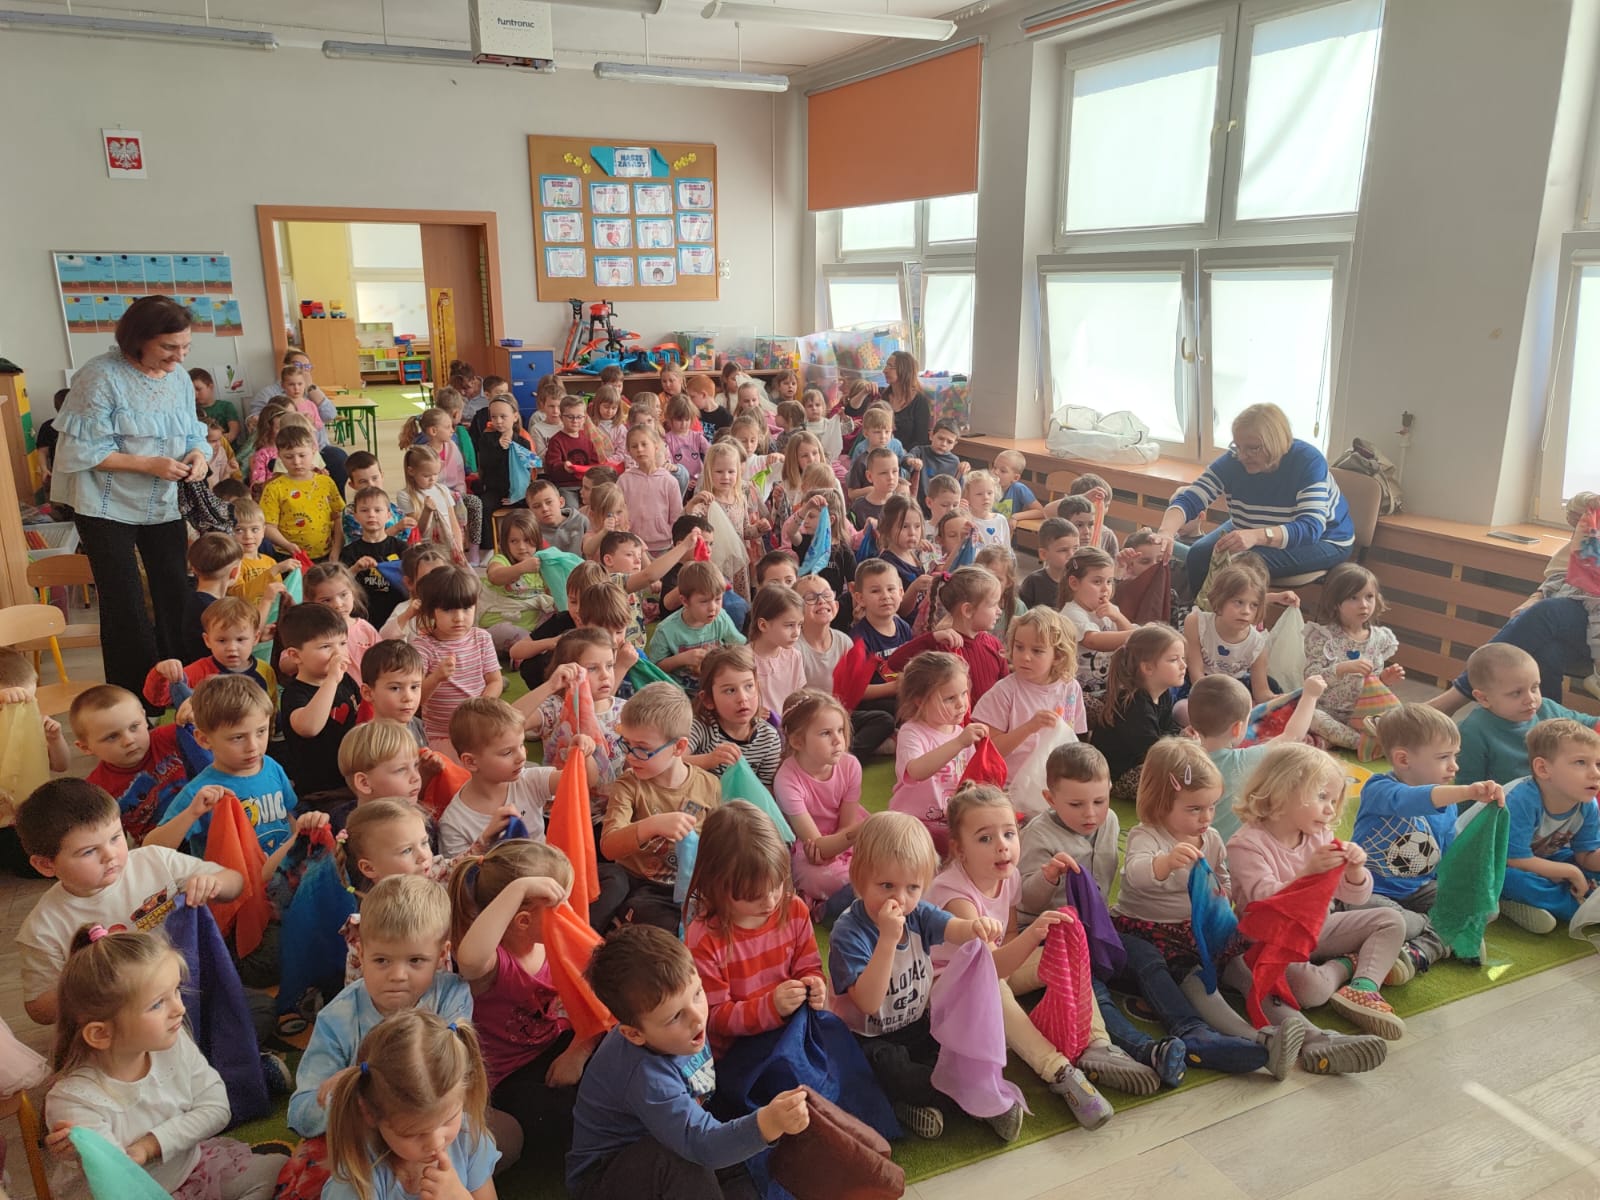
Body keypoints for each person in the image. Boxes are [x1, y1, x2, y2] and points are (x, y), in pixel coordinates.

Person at [930, 783, 1147, 1125]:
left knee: (1067, 950)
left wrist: (1046, 893)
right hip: (949, 986)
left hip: (997, 967)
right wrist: (1034, 935)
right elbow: (989, 968)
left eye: (1009, 834)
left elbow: (1009, 935)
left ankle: (1097, 1044)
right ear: (959, 849)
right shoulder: (953, 894)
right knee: (992, 986)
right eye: (985, 838)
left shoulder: (1008, 875)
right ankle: (1059, 1072)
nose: (1002, 846)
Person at [567, 924, 810, 1198]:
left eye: (697, 993)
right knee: (685, 1159)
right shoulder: (645, 1075)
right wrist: (769, 1123)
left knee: (743, 1152)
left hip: (672, 1135)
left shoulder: (680, 1031)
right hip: (608, 1177)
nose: (697, 1017)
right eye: (675, 1016)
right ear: (634, 1034)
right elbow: (699, 1144)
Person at [44, 927, 287, 1200]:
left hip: (189, 1168)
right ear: (101, 1034)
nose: (179, 1009)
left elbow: (217, 1108)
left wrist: (151, 1145)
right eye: (157, 1004)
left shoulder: (172, 1042)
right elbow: (120, 1183)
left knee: (277, 1169)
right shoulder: (75, 1100)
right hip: (132, 1194)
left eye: (176, 991)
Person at [1109, 739, 1303, 1080]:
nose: (1207, 816)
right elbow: (1135, 874)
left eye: (1212, 806)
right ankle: (1257, 1039)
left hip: (1198, 927)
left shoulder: (1210, 837)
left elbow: (1221, 876)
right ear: (1160, 802)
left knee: (1242, 966)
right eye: (1194, 809)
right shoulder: (1147, 836)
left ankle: (1301, 1029)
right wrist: (1165, 863)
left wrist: (1222, 897)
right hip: (1152, 931)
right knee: (1199, 983)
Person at [51, 295, 209, 702]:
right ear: (138, 339)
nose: (179, 357)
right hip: (105, 505)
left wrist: (198, 455)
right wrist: (148, 464)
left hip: (162, 501)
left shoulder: (177, 377)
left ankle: (180, 688)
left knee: (174, 590)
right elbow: (78, 452)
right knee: (125, 601)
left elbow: (193, 431)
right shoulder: (99, 376)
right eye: (169, 347)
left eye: (186, 347)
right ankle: (134, 700)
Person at [1016, 744, 1192, 1086]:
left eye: (1099, 801)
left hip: (1095, 926)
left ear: (1110, 790)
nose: (1090, 813)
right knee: (1091, 983)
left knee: (1146, 956)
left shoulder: (1109, 821)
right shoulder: (1038, 834)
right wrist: (1048, 877)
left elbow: (1106, 880)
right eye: (1076, 805)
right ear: (1050, 799)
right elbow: (1025, 900)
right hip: (1047, 933)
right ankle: (1142, 1049)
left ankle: (1191, 1027)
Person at [827, 810, 1009, 1141]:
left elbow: (953, 928)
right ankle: (967, 1103)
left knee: (954, 1047)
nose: (900, 899)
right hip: (868, 1039)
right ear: (859, 879)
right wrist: (886, 939)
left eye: (912, 888)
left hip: (916, 1024)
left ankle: (924, 1101)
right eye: (886, 886)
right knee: (893, 1071)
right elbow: (868, 1002)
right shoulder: (848, 932)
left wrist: (976, 927)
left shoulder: (918, 913)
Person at [17, 778, 243, 1026]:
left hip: (192, 990)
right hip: (123, 1027)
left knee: (254, 1014)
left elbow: (236, 883)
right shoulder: (43, 928)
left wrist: (213, 883)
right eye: (88, 851)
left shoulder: (154, 860)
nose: (110, 855)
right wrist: (91, 983)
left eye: (116, 837)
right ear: (45, 865)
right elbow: (39, 1009)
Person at [1228, 743, 1409, 1041]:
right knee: (1311, 991)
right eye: (1322, 797)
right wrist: (1307, 873)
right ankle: (1346, 964)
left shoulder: (1318, 835)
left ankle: (1363, 987)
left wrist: (1354, 870)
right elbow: (1262, 900)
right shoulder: (1245, 844)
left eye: (1334, 801)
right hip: (1273, 941)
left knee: (1392, 920)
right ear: (1281, 791)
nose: (1330, 809)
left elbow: (1355, 897)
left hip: (1319, 928)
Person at [288, 876, 473, 1138]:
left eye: (415, 960)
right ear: (361, 954)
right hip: (365, 1139)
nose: (397, 975)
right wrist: (347, 1095)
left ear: (442, 955)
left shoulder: (452, 996)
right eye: (382, 960)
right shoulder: (337, 1018)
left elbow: (460, 1082)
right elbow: (301, 1114)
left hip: (433, 1133)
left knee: (499, 1138)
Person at [451, 840, 596, 1164]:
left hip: (557, 1043)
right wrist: (518, 890)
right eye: (561, 904)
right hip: (511, 1077)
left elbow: (597, 1001)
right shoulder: (495, 963)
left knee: (616, 1054)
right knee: (560, 1115)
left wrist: (578, 1052)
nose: (571, 911)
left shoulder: (555, 942)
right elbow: (470, 960)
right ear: (523, 922)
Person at [1355, 705, 1506, 975]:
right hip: (1370, 892)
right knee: (1397, 921)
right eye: (1444, 757)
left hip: (1420, 889)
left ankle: (1422, 950)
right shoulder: (1378, 789)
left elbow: (1446, 858)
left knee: (1484, 906)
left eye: (1455, 755)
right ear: (1403, 760)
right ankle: (1442, 933)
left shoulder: (1448, 805)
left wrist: (1467, 895)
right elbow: (1411, 799)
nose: (1454, 765)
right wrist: (1468, 792)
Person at [1147, 403, 1353, 594]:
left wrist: (1256, 536)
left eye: (1253, 448)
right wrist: (1166, 533)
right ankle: (1199, 616)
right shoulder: (1234, 460)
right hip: (1252, 527)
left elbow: (1310, 528)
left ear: (1276, 443)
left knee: (1239, 567)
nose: (1242, 456)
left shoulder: (1307, 462)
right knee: (1198, 556)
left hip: (1324, 539)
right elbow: (1191, 498)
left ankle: (1234, 619)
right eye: (1238, 446)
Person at [683, 801, 827, 1059]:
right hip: (736, 1053)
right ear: (717, 885)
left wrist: (814, 984)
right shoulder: (704, 938)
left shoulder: (793, 909)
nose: (770, 902)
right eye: (753, 896)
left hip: (790, 1034)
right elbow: (713, 1016)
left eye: (777, 885)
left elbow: (808, 967)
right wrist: (770, 1007)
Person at [320, 1012, 500, 1200]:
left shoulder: (468, 1136)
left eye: (448, 1120)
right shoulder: (358, 1180)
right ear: (369, 1113)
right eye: (414, 1134)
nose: (435, 1142)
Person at [602, 683, 723, 932]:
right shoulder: (628, 784)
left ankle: (629, 925)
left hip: (678, 888)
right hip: (633, 880)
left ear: (679, 747)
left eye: (642, 749)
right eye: (627, 744)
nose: (630, 756)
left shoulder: (708, 785)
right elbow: (609, 847)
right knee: (611, 884)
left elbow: (715, 848)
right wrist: (652, 826)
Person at [1186, 673, 1328, 842]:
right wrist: (1310, 696)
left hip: (1185, 847)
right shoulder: (1242, 762)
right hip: (1229, 852)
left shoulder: (1180, 755)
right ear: (1237, 729)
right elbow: (1292, 737)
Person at [772, 690, 866, 919]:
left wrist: (858, 835)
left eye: (840, 730)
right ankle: (827, 908)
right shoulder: (786, 779)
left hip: (847, 835)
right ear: (797, 741)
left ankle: (861, 896)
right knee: (823, 878)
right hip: (809, 848)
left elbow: (846, 824)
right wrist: (863, 831)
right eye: (826, 733)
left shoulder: (850, 765)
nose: (838, 740)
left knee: (891, 856)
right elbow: (818, 848)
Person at [1499, 719, 1600, 930]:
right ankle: (1580, 908)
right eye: (1581, 762)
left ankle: (1547, 902)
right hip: (1492, 862)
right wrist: (1571, 873)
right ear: (1543, 768)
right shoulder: (1521, 799)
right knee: (1511, 879)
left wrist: (1573, 869)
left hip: (1540, 856)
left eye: (1598, 764)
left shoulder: (1587, 804)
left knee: (1582, 869)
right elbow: (1514, 859)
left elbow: (1586, 857)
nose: (1595, 773)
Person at [1455, 643, 1600, 786]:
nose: (1531, 699)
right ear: (1484, 699)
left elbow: (1590, 724)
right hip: (1509, 799)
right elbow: (1469, 788)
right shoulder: (1472, 732)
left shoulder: (1546, 708)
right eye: (1517, 693)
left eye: (1534, 687)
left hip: (1556, 790)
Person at [972, 607, 1087, 783]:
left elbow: (1076, 739)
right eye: (1019, 647)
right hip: (1010, 784)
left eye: (1037, 651)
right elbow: (989, 750)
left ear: (1058, 656)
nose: (1025, 656)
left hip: (1054, 783)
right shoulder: (1004, 691)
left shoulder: (1070, 687)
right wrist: (1029, 727)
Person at [69, 685, 193, 846]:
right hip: (161, 849)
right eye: (112, 737)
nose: (129, 740)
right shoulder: (96, 791)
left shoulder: (171, 736)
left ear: (144, 718)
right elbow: (108, 840)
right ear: (85, 747)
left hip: (206, 820)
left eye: (134, 727)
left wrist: (195, 707)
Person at [890, 652, 987, 858]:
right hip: (913, 824)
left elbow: (969, 779)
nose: (961, 704)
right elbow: (916, 771)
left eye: (964, 693)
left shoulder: (961, 733)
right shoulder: (912, 731)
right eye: (950, 698)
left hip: (949, 821)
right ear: (920, 701)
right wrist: (959, 743)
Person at [1302, 563, 1405, 749]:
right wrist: (1341, 668)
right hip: (1328, 712)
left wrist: (1384, 680)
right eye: (1353, 598)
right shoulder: (1323, 637)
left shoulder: (1380, 639)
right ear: (1336, 602)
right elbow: (1311, 677)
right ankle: (1364, 744)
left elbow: (1373, 687)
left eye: (1369, 596)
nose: (1364, 605)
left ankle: (1339, 741)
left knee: (1401, 716)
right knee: (1311, 716)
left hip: (1365, 715)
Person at [438, 699, 557, 857]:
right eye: (507, 752)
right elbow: (458, 871)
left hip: (546, 869)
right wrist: (485, 840)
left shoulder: (528, 780)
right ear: (471, 762)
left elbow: (577, 780)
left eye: (521, 745)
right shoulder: (454, 823)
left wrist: (583, 752)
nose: (522, 757)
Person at [414, 567, 503, 760]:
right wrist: (436, 677)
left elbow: (495, 681)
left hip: (480, 728)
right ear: (431, 611)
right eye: (448, 610)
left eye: (466, 608)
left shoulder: (481, 638)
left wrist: (481, 706)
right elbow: (415, 698)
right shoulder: (424, 647)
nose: (459, 618)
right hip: (442, 735)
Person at [1091, 625, 1187, 802]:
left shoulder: (1163, 693)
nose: (1183, 665)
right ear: (1148, 668)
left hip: (1145, 760)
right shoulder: (1133, 703)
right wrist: (1182, 743)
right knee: (1180, 777)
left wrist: (1183, 735)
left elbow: (1169, 727)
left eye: (1183, 658)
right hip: (1119, 776)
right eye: (1174, 660)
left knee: (1189, 762)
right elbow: (1151, 751)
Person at [886, 566, 1008, 705]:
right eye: (993, 605)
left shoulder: (994, 644)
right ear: (968, 610)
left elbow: (1005, 689)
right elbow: (894, 662)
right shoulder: (942, 647)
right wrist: (931, 638)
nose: (999, 611)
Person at [276, 603, 363, 798]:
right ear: (295, 655)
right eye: (326, 647)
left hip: (352, 783)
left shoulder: (346, 680)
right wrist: (331, 680)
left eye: (342, 643)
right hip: (321, 792)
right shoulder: (295, 693)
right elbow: (309, 728)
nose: (338, 653)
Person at [142, 596, 276, 714]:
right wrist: (160, 673)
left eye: (240, 639)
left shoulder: (265, 671)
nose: (232, 648)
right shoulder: (198, 672)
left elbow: (271, 709)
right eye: (222, 640)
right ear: (207, 640)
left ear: (255, 638)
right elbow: (158, 699)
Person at [247, 347, 347, 491]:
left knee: (339, 459)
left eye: (307, 366)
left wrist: (310, 388)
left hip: (318, 447)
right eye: (298, 365)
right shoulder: (268, 393)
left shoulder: (311, 392)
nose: (303, 370)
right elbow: (256, 419)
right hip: (284, 447)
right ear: (286, 367)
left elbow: (330, 414)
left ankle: (335, 499)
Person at [687, 647, 784, 789]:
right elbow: (671, 762)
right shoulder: (701, 726)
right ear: (708, 699)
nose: (742, 698)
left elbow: (766, 791)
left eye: (749, 686)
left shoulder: (769, 738)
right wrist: (708, 760)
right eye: (730, 690)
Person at [1182, 561, 1274, 702]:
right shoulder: (1196, 623)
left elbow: (1261, 692)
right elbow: (1196, 676)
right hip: (1198, 689)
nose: (1246, 611)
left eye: (1254, 605)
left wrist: (1280, 700)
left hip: (1232, 692)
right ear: (1220, 599)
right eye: (1239, 602)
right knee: (1183, 709)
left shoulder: (1258, 643)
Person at [647, 563, 745, 692]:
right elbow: (654, 668)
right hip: (681, 693)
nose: (713, 608)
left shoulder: (721, 618)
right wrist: (682, 659)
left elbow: (739, 646)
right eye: (704, 601)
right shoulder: (666, 630)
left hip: (716, 688)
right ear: (685, 601)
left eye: (718, 599)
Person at [261, 424, 345, 562]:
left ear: (313, 451)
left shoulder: (326, 482)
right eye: (289, 457)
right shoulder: (274, 488)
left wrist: (336, 550)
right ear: (279, 456)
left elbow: (338, 517)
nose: (296, 462)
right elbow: (268, 525)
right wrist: (287, 545)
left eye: (302, 455)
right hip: (289, 557)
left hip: (326, 554)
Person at [480, 511, 555, 657]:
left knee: (558, 620)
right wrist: (521, 568)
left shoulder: (541, 565)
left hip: (532, 628)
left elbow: (550, 596)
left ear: (537, 540)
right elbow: (494, 576)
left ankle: (534, 649)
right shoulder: (501, 560)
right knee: (509, 633)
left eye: (527, 540)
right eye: (514, 541)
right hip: (501, 626)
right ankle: (525, 654)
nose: (521, 547)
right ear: (504, 543)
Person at [305, 563, 380, 684]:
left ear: (353, 593)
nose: (338, 605)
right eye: (326, 600)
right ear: (311, 603)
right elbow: (285, 664)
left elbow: (383, 660)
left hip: (367, 692)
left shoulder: (365, 628)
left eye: (343, 595)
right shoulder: (310, 631)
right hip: (329, 692)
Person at [745, 584, 807, 724]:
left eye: (800, 625)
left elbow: (797, 697)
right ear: (763, 625)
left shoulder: (794, 656)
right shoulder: (743, 659)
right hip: (756, 729)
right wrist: (752, 711)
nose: (796, 632)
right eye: (789, 625)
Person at [1019, 518, 1080, 610]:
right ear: (1044, 554)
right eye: (1063, 550)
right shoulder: (1033, 582)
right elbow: (1023, 613)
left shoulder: (1081, 579)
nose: (1071, 555)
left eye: (1075, 548)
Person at [882, 349, 932, 450]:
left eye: (891, 367)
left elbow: (921, 441)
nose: (885, 370)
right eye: (886, 365)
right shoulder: (883, 397)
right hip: (882, 454)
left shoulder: (919, 402)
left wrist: (902, 454)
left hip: (908, 456)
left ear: (904, 371)